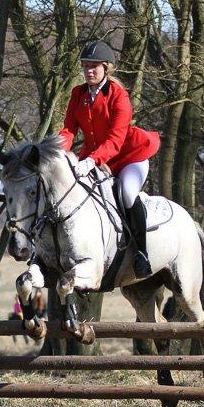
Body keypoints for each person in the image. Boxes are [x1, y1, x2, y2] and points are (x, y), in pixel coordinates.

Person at [58, 40, 161, 278]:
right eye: (86, 66)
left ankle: (141, 254)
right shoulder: (78, 94)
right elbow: (69, 130)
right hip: (97, 158)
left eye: (94, 66)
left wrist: (91, 161)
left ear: (106, 68)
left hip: (130, 156)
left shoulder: (119, 95)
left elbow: (115, 139)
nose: (89, 71)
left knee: (127, 194)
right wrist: (58, 152)